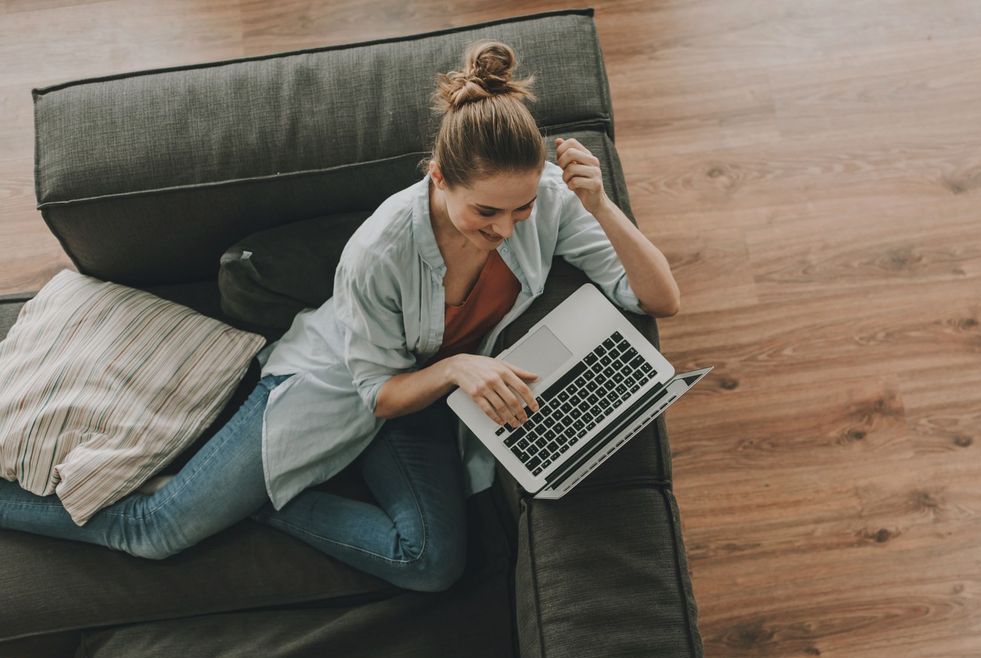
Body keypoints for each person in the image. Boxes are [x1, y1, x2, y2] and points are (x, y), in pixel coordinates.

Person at [0, 40, 680, 591]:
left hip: (427, 399)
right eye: (487, 212)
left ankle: (257, 504)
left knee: (432, 563)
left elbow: (659, 299)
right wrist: (459, 366)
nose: (508, 229)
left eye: (522, 208)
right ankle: (213, 494)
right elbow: (377, 394)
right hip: (341, 389)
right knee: (154, 530)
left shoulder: (548, 198)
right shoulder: (380, 250)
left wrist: (602, 207)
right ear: (438, 179)